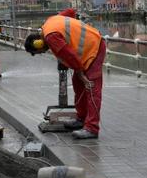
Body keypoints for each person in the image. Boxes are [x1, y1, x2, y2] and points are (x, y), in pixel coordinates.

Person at [24, 9, 105, 140]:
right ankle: (81, 119)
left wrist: (81, 74)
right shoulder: (49, 23)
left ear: (38, 44)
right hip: (87, 48)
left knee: (91, 87)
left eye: (41, 52)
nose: (44, 52)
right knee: (78, 85)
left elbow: (70, 56)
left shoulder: (51, 37)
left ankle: (92, 128)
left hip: (94, 46)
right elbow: (70, 12)